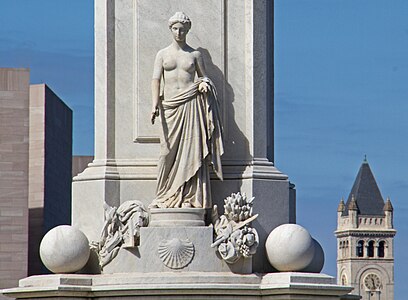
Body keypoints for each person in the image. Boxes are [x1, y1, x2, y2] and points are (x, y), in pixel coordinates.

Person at [150, 12, 223, 209]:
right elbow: (156, 79)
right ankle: (162, 194)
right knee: (166, 152)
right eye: (175, 28)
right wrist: (154, 103)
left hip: (191, 104)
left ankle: (190, 197)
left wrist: (204, 85)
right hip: (169, 107)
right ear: (170, 29)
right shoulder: (162, 54)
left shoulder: (194, 55)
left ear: (187, 30)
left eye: (182, 29)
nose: (179, 32)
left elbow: (203, 77)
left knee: (192, 151)